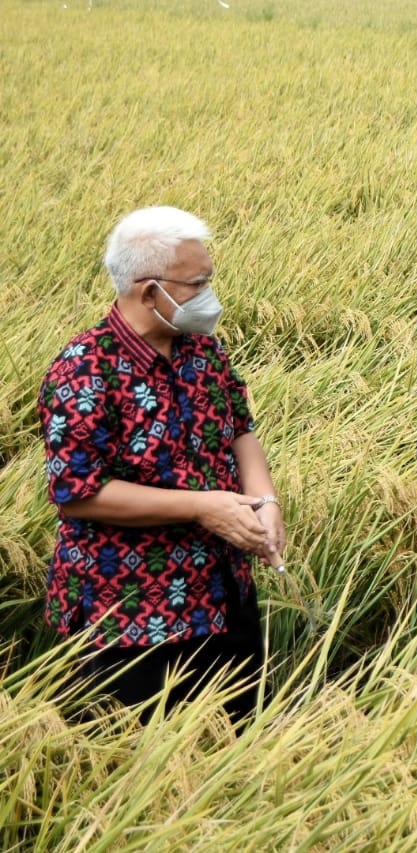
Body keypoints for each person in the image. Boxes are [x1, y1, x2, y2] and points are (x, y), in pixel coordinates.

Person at [37, 206, 284, 723]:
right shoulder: (85, 368)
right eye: (197, 283)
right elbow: (81, 493)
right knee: (137, 763)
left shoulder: (204, 352)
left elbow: (240, 429)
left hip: (222, 592)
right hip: (128, 612)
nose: (210, 296)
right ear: (149, 291)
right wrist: (200, 507)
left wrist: (265, 501)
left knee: (239, 742)